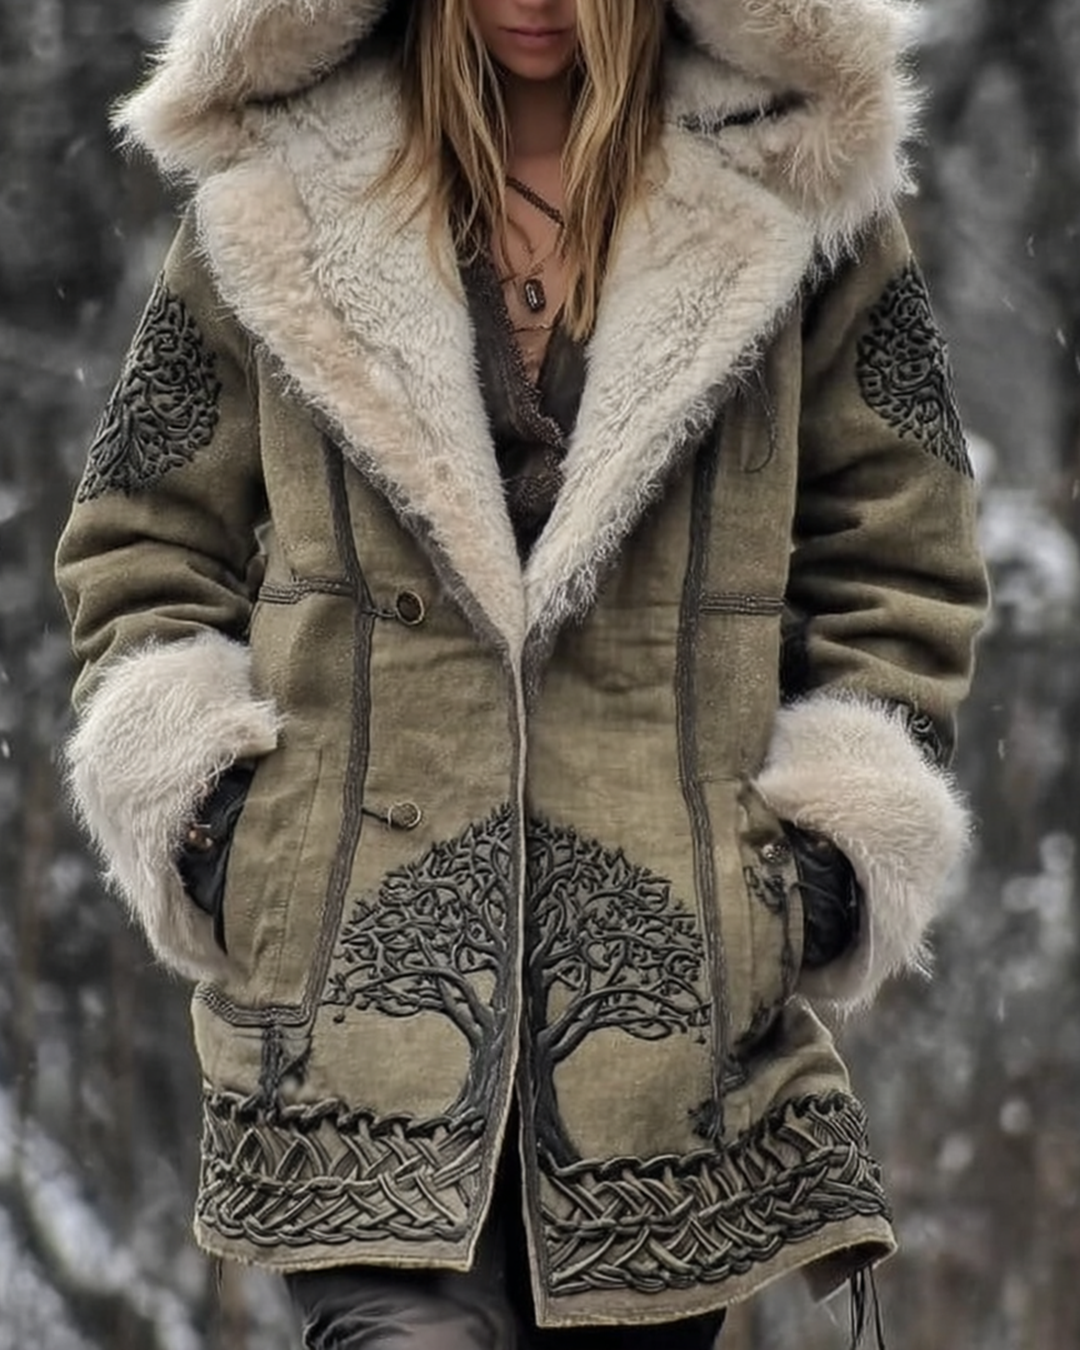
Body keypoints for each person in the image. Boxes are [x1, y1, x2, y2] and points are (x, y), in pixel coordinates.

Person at [56, 0, 989, 1346]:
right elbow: (139, 536)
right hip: (352, 1009)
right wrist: (215, 828)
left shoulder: (798, 192)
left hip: (665, 1039)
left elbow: (907, 560)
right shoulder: (277, 190)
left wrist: (817, 867)